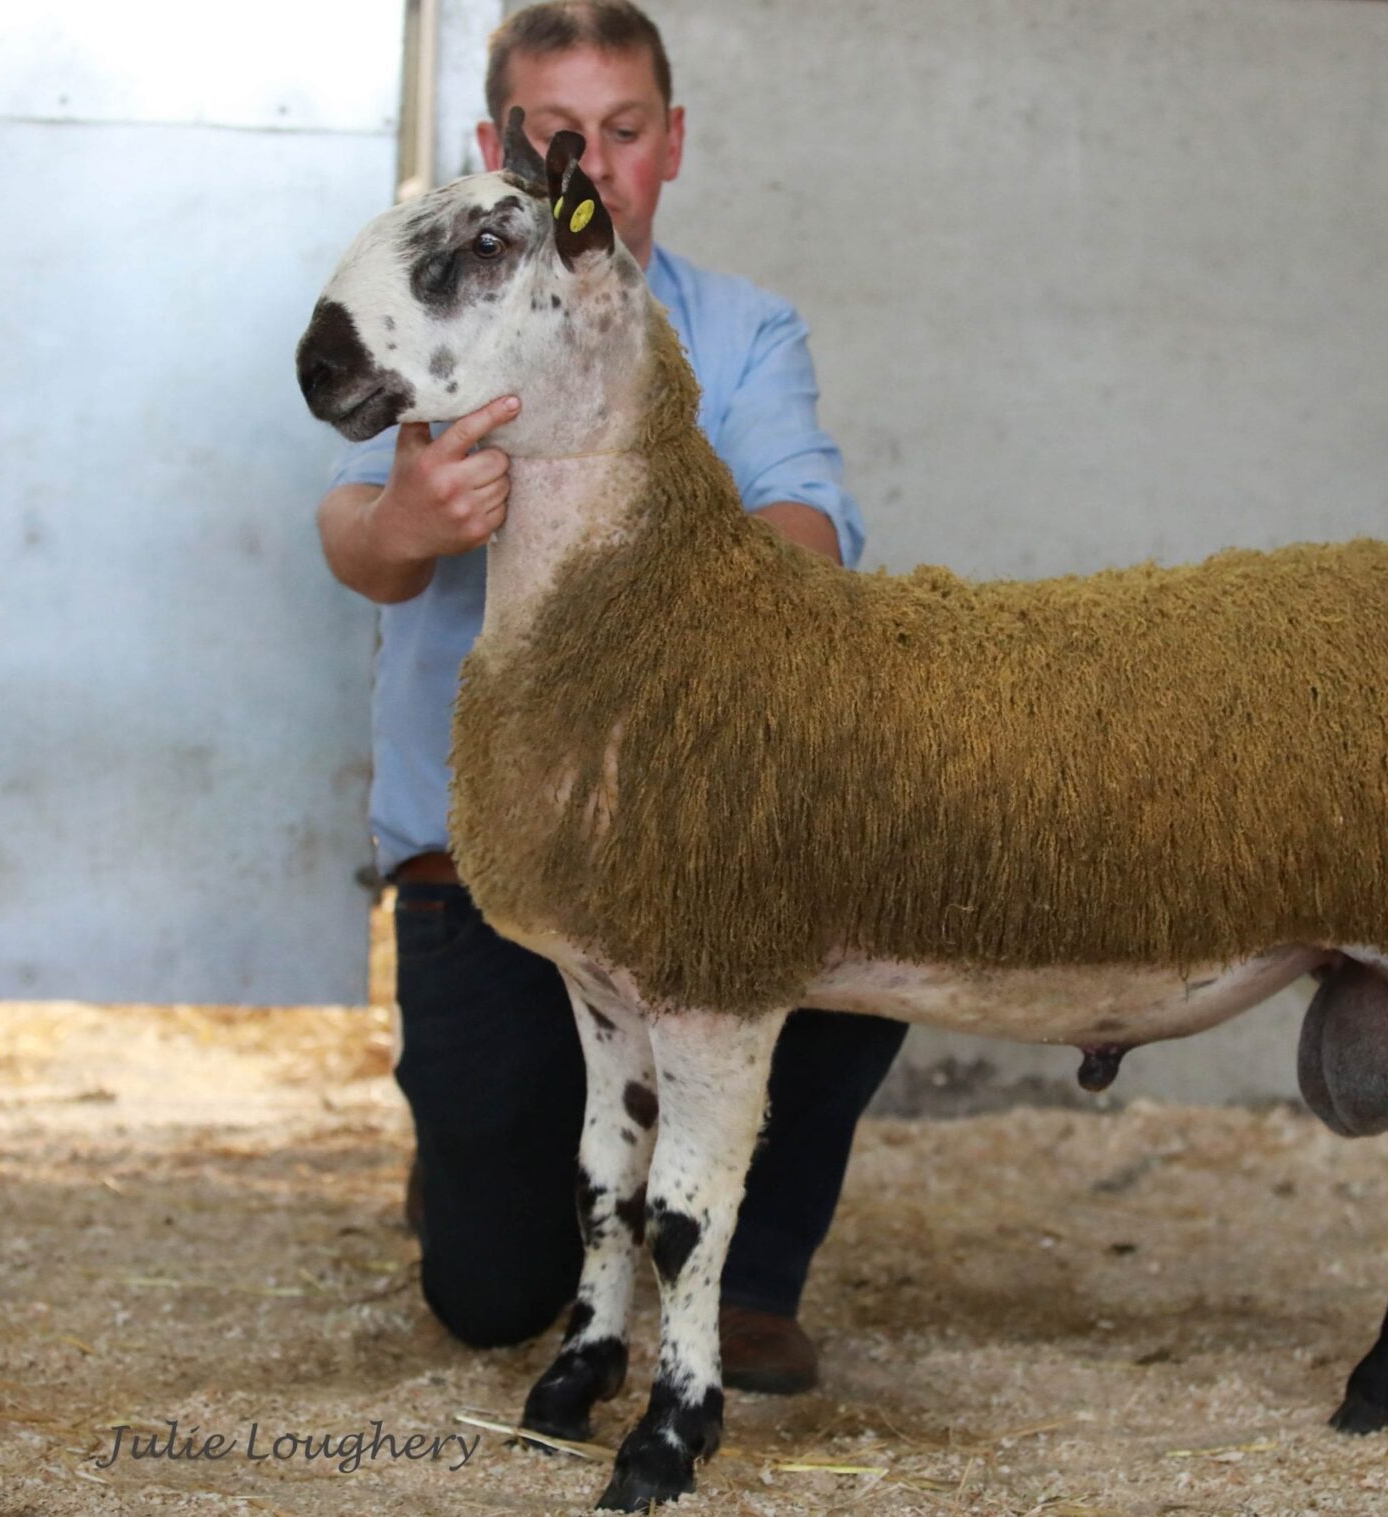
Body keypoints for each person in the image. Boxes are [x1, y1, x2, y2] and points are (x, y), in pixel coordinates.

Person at [314, 0, 905, 1393]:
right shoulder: (448, 297)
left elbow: (811, 529)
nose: (596, 163)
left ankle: (744, 1280)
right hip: (488, 862)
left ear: (671, 143)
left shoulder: (744, 330)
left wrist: (657, 546)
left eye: (624, 132)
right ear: (496, 147)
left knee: (872, 902)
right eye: (557, 134)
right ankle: (486, 1177)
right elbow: (350, 537)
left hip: (700, 837)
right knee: (489, 1298)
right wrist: (410, 515)